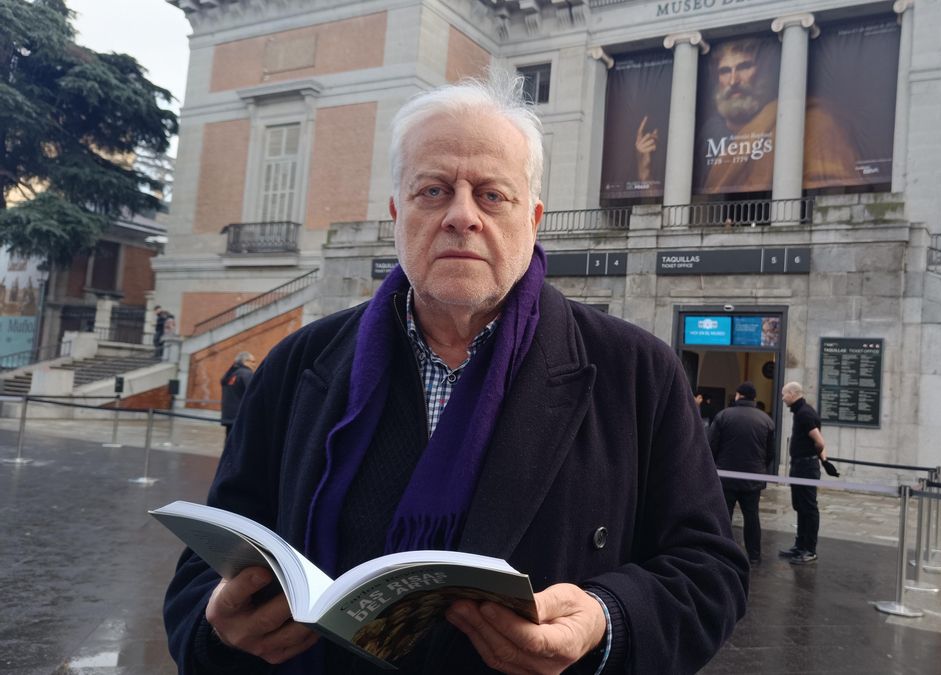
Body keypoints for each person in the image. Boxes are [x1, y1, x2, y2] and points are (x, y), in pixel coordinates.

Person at [163, 70, 748, 674]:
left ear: (534, 219)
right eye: (434, 190)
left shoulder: (637, 371)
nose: (461, 216)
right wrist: (217, 625)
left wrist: (607, 619)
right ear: (397, 212)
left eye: (492, 195)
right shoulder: (298, 364)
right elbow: (203, 572)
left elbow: (710, 572)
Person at [696, 38, 779, 194]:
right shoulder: (707, 132)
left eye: (744, 67)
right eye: (725, 71)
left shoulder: (783, 119)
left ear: (762, 72)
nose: (733, 81)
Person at [707, 382, 774, 564]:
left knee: (724, 515)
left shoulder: (723, 416)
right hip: (753, 478)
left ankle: (723, 552)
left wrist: (712, 469)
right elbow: (771, 453)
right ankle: (754, 555)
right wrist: (760, 469)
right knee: (751, 516)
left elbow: (711, 446)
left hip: (726, 477)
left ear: (738, 395)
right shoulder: (766, 420)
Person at [779, 381, 827, 564]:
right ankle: (800, 546)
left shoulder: (805, 413)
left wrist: (816, 455)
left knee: (808, 508)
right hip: (800, 466)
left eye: (784, 394)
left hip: (806, 467)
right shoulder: (800, 412)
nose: (782, 398)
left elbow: (819, 441)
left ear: (792, 394)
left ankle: (810, 550)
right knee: (799, 506)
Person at [219, 351, 255, 440]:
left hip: (228, 415)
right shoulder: (246, 374)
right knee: (238, 443)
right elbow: (253, 394)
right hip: (241, 416)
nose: (254, 364)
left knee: (229, 442)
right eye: (252, 361)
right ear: (245, 361)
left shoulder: (230, 374)